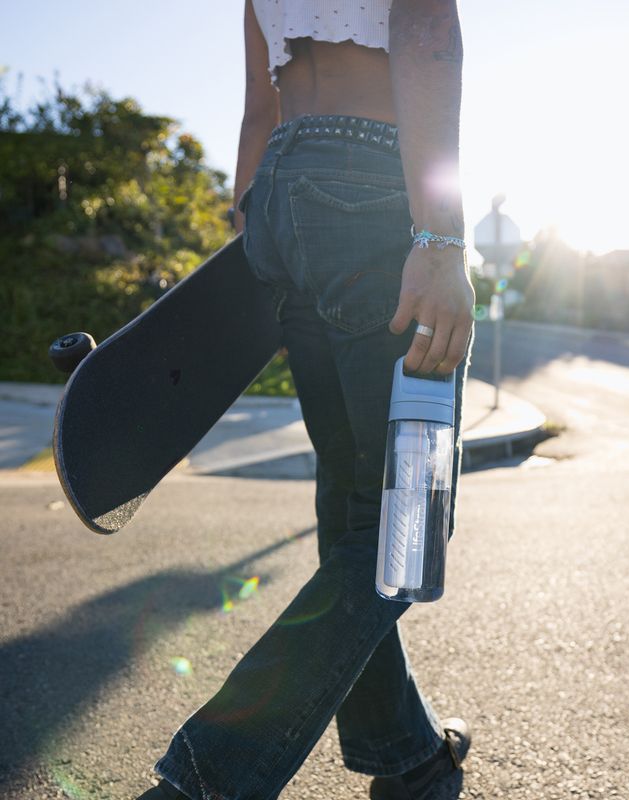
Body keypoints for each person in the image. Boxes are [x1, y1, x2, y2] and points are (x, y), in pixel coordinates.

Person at [139, 1, 474, 798]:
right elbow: (426, 34)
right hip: (369, 188)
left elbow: (262, 109)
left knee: (356, 509)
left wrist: (263, 253)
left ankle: (406, 755)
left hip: (281, 194)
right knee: (407, 518)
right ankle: (210, 773)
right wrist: (442, 239)